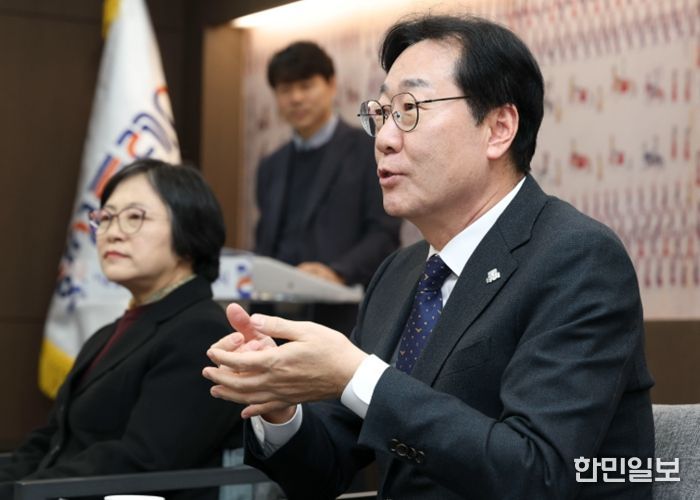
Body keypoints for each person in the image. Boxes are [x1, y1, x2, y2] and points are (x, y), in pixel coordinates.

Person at [203, 14, 654, 500]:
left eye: (409, 109)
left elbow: (538, 473)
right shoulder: (399, 273)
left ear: (498, 128)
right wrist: (280, 407)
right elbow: (325, 470)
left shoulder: (577, 259)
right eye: (381, 113)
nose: (384, 138)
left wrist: (358, 375)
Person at [0, 159, 242, 500]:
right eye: (106, 217)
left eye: (134, 217)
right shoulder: (109, 333)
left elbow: (141, 461)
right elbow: (51, 441)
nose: (112, 232)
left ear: (189, 231)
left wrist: (21, 492)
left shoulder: (203, 332)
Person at [254, 40, 400, 287]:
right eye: (286, 89)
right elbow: (264, 242)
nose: (296, 98)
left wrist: (338, 272)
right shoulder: (270, 166)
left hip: (344, 298)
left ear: (332, 85)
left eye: (306, 86)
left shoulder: (369, 151)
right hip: (276, 300)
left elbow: (384, 233)